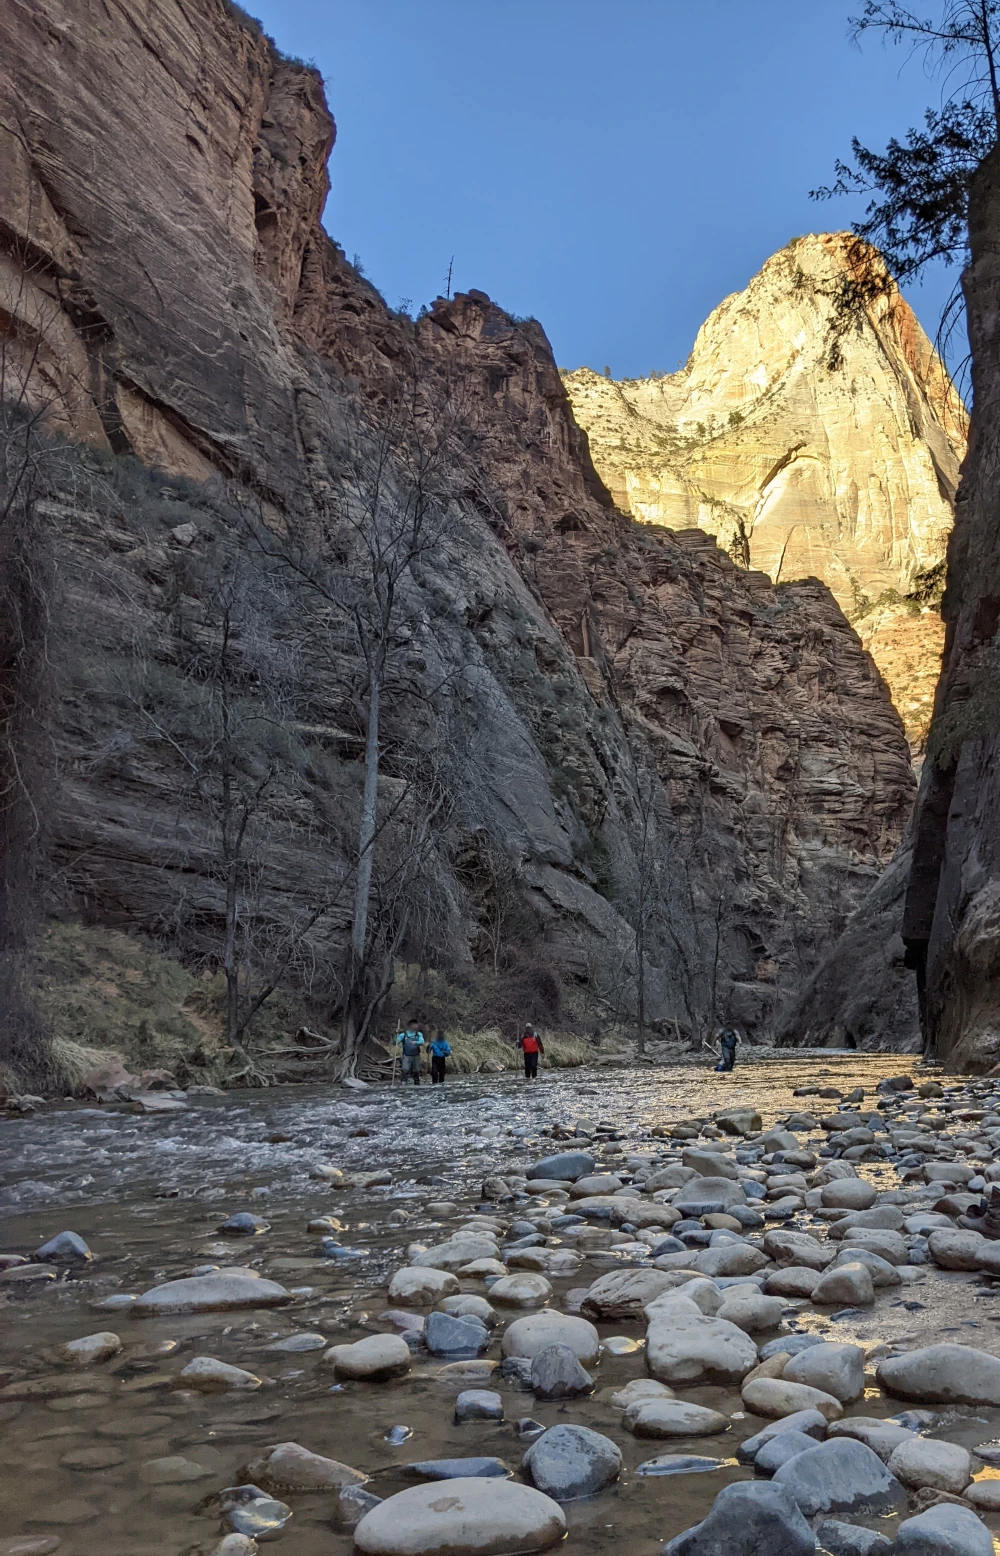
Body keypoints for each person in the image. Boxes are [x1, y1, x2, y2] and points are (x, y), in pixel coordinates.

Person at [394, 1020, 425, 1085]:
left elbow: (422, 1042)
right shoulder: (403, 1035)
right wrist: (396, 1034)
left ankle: (417, 1084)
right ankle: (403, 1084)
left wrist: (415, 1043)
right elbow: (395, 1043)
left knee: (416, 1071)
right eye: (415, 1024)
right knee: (405, 1070)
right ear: (410, 1025)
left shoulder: (418, 1034)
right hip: (406, 1055)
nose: (416, 1026)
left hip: (416, 1056)